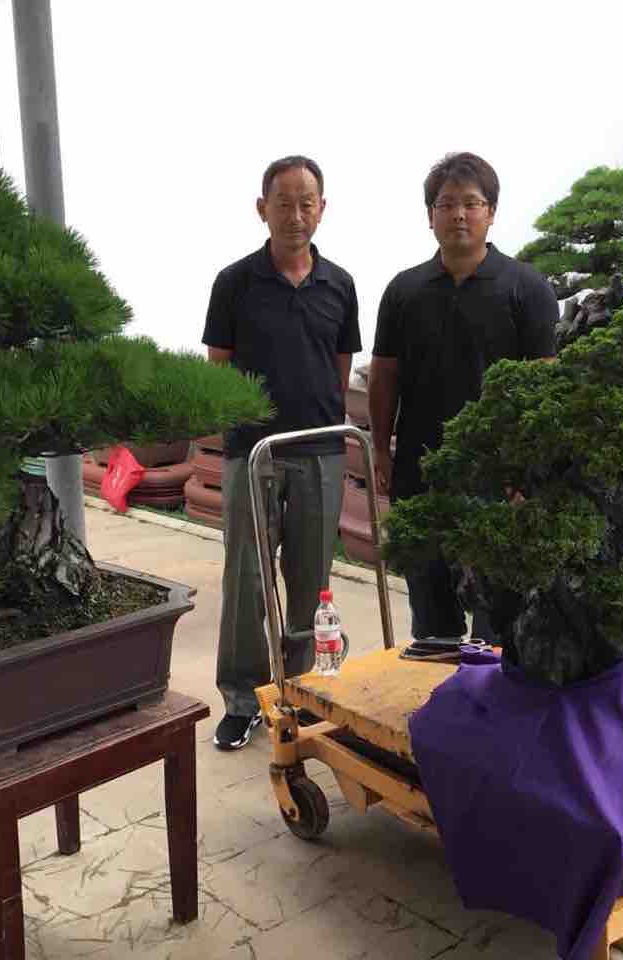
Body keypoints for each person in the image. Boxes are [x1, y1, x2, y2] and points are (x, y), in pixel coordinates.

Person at [203, 155, 361, 750]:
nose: (296, 215)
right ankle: (243, 698)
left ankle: (297, 687)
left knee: (311, 576)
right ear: (261, 209)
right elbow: (219, 370)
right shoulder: (235, 282)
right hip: (253, 450)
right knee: (247, 576)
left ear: (322, 209)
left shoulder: (339, 284)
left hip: (320, 449)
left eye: (306, 203)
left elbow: (339, 367)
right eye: (284, 203)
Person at [368, 152, 557, 642]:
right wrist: (380, 449)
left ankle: (493, 687)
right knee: (431, 610)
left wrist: (530, 471)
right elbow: (384, 375)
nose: (458, 215)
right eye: (446, 204)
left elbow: (544, 386)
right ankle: (436, 685)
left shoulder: (527, 288)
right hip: (421, 468)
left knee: (499, 615)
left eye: (471, 203)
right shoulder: (404, 290)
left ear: (491, 212)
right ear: (430, 214)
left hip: (499, 477)